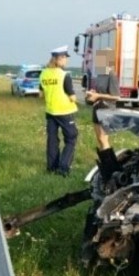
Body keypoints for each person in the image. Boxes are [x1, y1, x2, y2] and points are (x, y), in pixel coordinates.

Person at [39, 46, 78, 177]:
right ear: (59, 59)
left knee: (52, 140)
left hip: (50, 112)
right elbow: (72, 96)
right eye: (65, 58)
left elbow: (41, 94)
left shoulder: (44, 74)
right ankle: (63, 168)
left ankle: (51, 167)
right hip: (65, 112)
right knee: (71, 138)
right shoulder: (64, 75)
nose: (66, 61)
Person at [85, 66, 122, 183]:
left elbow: (116, 96)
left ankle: (112, 170)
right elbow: (99, 92)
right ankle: (107, 168)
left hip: (107, 109)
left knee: (104, 139)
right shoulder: (99, 75)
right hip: (97, 107)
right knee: (100, 139)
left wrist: (98, 96)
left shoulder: (112, 74)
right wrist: (92, 94)